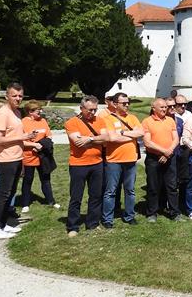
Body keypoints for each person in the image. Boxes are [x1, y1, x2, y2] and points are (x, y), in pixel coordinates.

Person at [0, 83, 33, 239]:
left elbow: (14, 136)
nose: (18, 98)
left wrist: (29, 140)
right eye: (14, 95)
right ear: (6, 96)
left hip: (16, 157)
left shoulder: (17, 112)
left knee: (11, 193)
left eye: (20, 95)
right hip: (5, 159)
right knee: (3, 194)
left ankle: (3, 224)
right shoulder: (2, 114)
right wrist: (22, 137)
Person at [64, 96, 110, 236]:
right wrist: (97, 140)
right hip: (78, 164)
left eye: (95, 109)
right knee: (76, 196)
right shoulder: (72, 123)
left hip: (97, 163)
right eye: (90, 110)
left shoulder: (100, 120)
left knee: (95, 195)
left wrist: (89, 139)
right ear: (81, 108)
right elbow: (77, 142)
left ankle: (92, 223)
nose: (93, 112)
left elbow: (107, 138)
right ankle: (73, 226)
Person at [102, 92, 143, 227]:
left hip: (130, 159)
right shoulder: (108, 119)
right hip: (114, 160)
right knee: (111, 191)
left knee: (130, 190)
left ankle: (129, 216)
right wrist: (132, 136)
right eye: (123, 103)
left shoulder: (133, 118)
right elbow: (111, 138)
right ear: (115, 104)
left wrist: (123, 133)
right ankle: (108, 219)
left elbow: (141, 133)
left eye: (128, 103)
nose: (126, 105)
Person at [141, 98, 181, 222]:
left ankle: (174, 212)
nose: (164, 109)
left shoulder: (170, 120)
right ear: (154, 108)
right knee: (153, 186)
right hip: (154, 159)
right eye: (162, 107)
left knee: (172, 186)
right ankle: (152, 212)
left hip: (170, 157)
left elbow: (176, 139)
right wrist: (164, 151)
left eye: (165, 107)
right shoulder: (147, 122)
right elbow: (147, 142)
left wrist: (168, 152)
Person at [19, 100, 58, 212]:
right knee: (28, 179)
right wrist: (33, 145)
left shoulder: (43, 121)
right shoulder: (22, 123)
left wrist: (40, 145)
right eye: (37, 110)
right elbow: (20, 141)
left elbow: (49, 136)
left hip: (43, 155)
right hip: (28, 156)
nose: (40, 111)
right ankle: (25, 203)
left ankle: (51, 201)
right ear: (30, 112)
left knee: (46, 178)